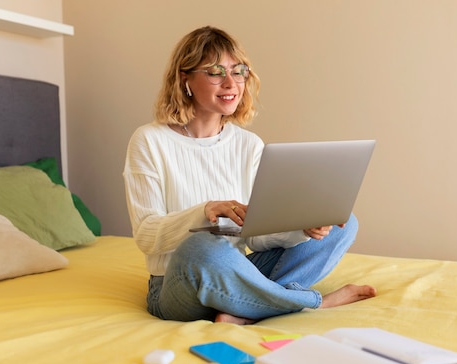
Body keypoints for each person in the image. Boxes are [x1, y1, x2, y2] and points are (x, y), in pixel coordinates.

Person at [123, 26, 376, 325]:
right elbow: (146, 236)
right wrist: (203, 212)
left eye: (238, 71)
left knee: (343, 224)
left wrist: (303, 229)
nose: (231, 82)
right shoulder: (149, 140)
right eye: (216, 72)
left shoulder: (248, 144)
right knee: (203, 246)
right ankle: (310, 303)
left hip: (236, 271)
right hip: (177, 284)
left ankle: (243, 308)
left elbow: (257, 236)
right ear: (185, 78)